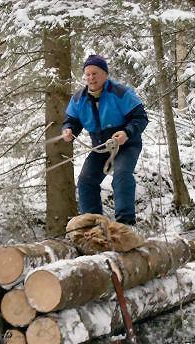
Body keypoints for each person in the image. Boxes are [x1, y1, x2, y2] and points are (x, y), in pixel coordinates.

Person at [62, 54, 148, 225]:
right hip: (100, 147)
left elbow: (140, 118)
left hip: (127, 144)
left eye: (95, 73)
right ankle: (92, 225)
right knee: (86, 181)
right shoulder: (79, 98)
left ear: (105, 74)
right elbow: (72, 120)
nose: (91, 78)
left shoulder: (121, 93)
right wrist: (68, 130)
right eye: (88, 74)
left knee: (122, 175)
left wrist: (126, 132)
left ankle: (126, 224)